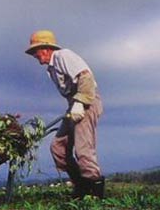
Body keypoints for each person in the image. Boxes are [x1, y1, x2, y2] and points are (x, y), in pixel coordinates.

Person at [25, 30, 105, 199]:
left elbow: (86, 77)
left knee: (83, 148)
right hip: (74, 105)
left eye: (35, 51)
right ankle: (82, 187)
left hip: (87, 102)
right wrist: (74, 105)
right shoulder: (51, 69)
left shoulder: (63, 56)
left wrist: (80, 103)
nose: (34, 56)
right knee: (58, 148)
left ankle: (95, 192)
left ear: (46, 48)